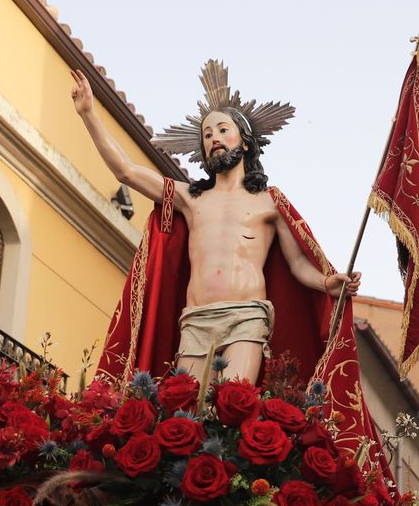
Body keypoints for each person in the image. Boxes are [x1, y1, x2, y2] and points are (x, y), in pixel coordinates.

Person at [72, 62, 358, 387]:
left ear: (246, 142)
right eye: (207, 134)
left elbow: (295, 264)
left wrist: (326, 283)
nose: (214, 138)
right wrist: (88, 114)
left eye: (223, 130)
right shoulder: (191, 199)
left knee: (233, 401)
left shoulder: (268, 202)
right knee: (188, 413)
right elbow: (126, 171)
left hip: (246, 317)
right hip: (195, 321)